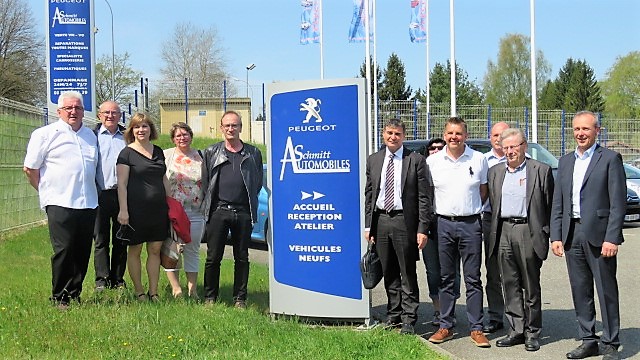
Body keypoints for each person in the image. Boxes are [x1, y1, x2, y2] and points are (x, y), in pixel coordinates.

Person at [550, 111, 625, 360]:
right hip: (573, 234)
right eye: (576, 129)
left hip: (600, 235)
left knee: (606, 290)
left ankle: (611, 342)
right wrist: (556, 235)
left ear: (597, 131)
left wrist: (612, 238)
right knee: (580, 290)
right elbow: (558, 202)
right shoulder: (566, 161)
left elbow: (618, 203)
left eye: (586, 129)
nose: (581, 133)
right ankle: (588, 340)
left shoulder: (610, 159)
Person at [23, 91, 99, 310]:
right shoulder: (45, 134)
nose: (73, 112)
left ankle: (74, 293)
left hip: (87, 201)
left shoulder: (89, 136)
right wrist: (45, 190)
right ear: (59, 112)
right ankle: (60, 297)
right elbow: (30, 168)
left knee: (82, 250)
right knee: (64, 249)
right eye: (69, 108)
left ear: (84, 111)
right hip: (59, 201)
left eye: (78, 108)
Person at [487, 128, 554, 352]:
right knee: (509, 283)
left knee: (530, 284)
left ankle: (532, 332)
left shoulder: (541, 170)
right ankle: (516, 329)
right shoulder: (495, 172)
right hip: (504, 229)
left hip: (528, 230)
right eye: (506, 147)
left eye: (514, 147)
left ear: (524, 146)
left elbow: (550, 205)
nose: (510, 151)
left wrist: (550, 236)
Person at [427, 117, 491, 348]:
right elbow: (429, 194)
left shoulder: (478, 159)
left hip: (471, 224)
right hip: (443, 224)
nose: (454, 137)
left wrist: (467, 211)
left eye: (458, 133)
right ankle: (446, 325)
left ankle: (476, 328)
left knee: (473, 278)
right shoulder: (433, 162)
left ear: (466, 135)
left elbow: (483, 191)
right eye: (450, 133)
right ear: (444, 135)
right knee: (446, 278)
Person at [364, 118, 432, 335]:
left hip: (405, 222)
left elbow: (424, 197)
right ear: (383, 134)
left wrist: (422, 228)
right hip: (382, 220)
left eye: (397, 134)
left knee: (407, 272)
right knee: (389, 271)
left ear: (404, 136)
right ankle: (393, 315)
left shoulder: (415, 160)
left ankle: (409, 319)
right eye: (389, 133)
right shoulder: (374, 160)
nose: (393, 137)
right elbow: (369, 195)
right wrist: (369, 227)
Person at [202, 110, 263, 309]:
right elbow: (205, 183)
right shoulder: (211, 152)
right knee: (213, 258)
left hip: (243, 212)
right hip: (218, 211)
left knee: (242, 257)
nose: (231, 129)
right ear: (221, 128)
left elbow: (257, 183)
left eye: (234, 125)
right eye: (227, 125)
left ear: (241, 128)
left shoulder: (253, 153)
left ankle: (240, 299)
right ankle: (210, 297)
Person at [116, 113, 170, 302]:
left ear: (151, 129)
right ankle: (139, 292)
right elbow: (121, 184)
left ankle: (153, 292)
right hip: (135, 211)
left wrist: (170, 205)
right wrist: (123, 210)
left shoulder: (159, 151)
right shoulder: (126, 153)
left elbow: (164, 179)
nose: (141, 130)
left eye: (145, 126)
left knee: (155, 250)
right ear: (131, 130)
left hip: (158, 211)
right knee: (135, 250)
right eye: (137, 127)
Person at [420, 138, 461, 327]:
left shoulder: (451, 169)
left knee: (453, 269)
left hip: (450, 223)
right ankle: (438, 309)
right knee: (433, 270)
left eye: (440, 147)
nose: (436, 150)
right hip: (429, 226)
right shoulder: (422, 170)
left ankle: (450, 309)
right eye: (432, 148)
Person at [163, 122, 205, 298]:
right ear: (173, 139)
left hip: (196, 211)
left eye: (185, 134)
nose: (182, 138)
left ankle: (192, 289)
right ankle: (176, 288)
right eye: (178, 135)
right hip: (173, 211)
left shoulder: (201, 156)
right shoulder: (166, 156)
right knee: (172, 249)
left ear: (191, 136)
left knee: (192, 250)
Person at [93, 101, 127, 291]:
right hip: (99, 193)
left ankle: (118, 279)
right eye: (106, 112)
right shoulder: (92, 136)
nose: (110, 116)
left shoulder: (128, 136)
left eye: (114, 113)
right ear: (100, 115)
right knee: (100, 239)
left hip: (123, 195)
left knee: (121, 239)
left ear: (120, 116)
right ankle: (102, 280)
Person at [481, 121, 509, 333]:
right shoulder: (483, 161)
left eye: (503, 134)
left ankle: (521, 317)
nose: (499, 139)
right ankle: (495, 316)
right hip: (490, 219)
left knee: (517, 271)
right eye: (495, 135)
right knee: (492, 272)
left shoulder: (523, 160)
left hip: (515, 222)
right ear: (490, 137)